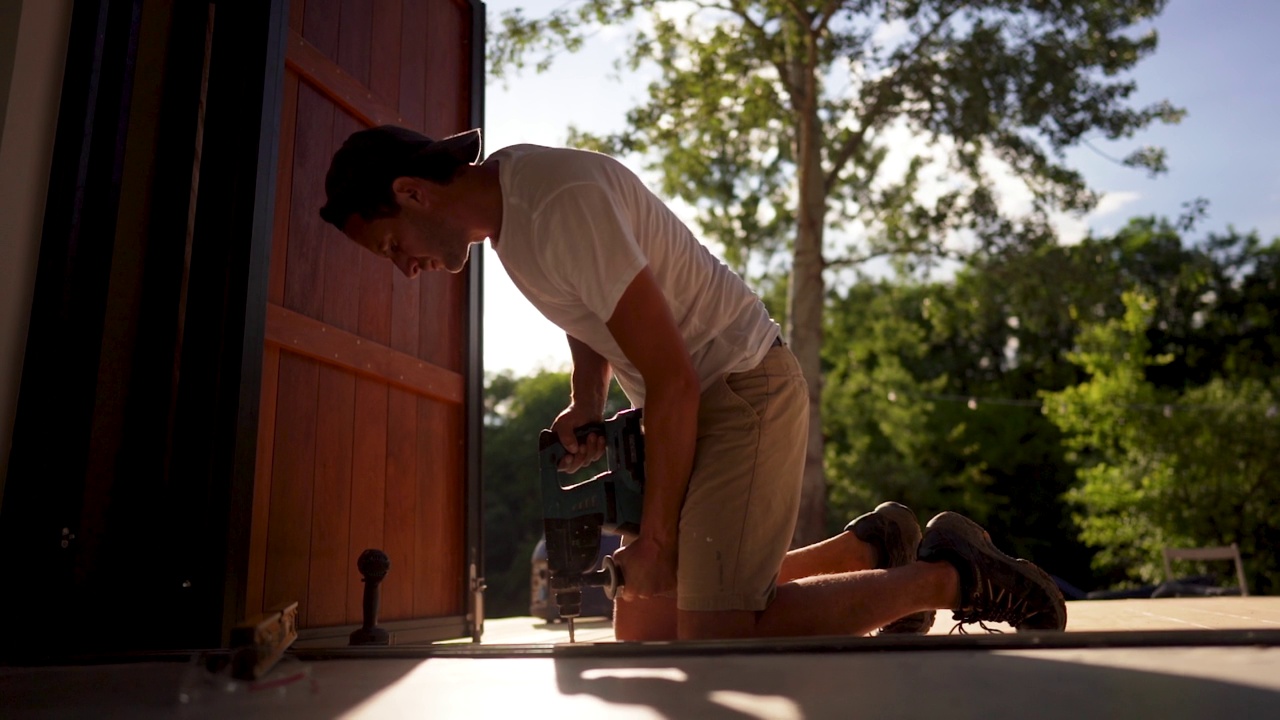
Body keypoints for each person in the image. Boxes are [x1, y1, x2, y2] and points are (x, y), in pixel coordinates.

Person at [318, 125, 1067, 641]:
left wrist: (659, 538)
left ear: (413, 193)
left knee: (718, 634)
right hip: (689, 406)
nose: (404, 266)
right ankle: (869, 551)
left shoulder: (555, 199)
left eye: (391, 246)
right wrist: (588, 400)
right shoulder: (509, 214)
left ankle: (951, 575)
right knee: (644, 625)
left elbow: (675, 382)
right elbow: (584, 311)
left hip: (740, 392)